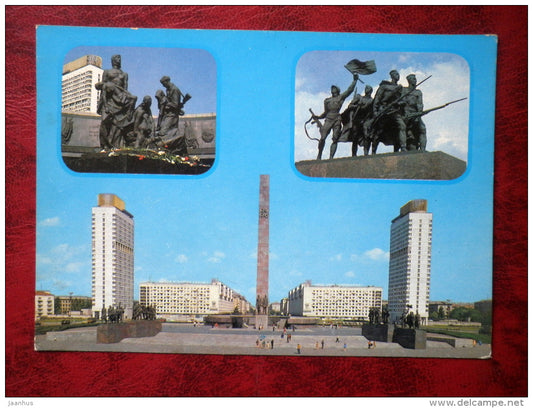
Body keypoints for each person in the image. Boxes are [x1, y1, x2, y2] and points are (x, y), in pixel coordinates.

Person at [96, 55, 138, 149]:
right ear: (112, 60)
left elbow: (125, 89)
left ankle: (114, 146)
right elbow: (104, 88)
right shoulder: (107, 71)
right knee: (105, 122)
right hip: (110, 100)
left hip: (120, 101)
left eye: (120, 59)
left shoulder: (125, 74)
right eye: (117, 58)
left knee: (118, 125)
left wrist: (127, 101)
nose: (119, 60)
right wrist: (104, 104)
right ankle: (104, 145)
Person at [313, 74, 358, 160]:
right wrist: (318, 117)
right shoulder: (327, 100)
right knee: (322, 138)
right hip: (328, 119)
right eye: (331, 88)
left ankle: (331, 158)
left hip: (337, 119)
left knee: (335, 139)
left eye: (334, 88)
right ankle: (319, 155)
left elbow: (349, 90)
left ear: (337, 90)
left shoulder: (340, 97)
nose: (332, 89)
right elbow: (325, 112)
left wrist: (354, 81)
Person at [371, 69, 407, 152]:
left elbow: (404, 101)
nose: (398, 76)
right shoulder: (384, 86)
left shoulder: (401, 88)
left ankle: (403, 147)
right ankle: (373, 151)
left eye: (398, 74)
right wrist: (375, 112)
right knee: (379, 131)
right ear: (392, 76)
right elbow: (377, 99)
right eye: (396, 74)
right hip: (384, 111)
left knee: (402, 126)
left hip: (395, 111)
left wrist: (399, 104)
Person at [402, 74, 427, 151]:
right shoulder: (404, 90)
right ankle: (403, 146)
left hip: (415, 114)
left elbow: (420, 104)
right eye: (413, 79)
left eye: (415, 79)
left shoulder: (418, 92)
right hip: (406, 114)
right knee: (402, 128)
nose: (415, 80)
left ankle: (422, 149)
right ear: (409, 81)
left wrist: (419, 113)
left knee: (422, 129)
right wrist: (406, 113)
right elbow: (402, 102)